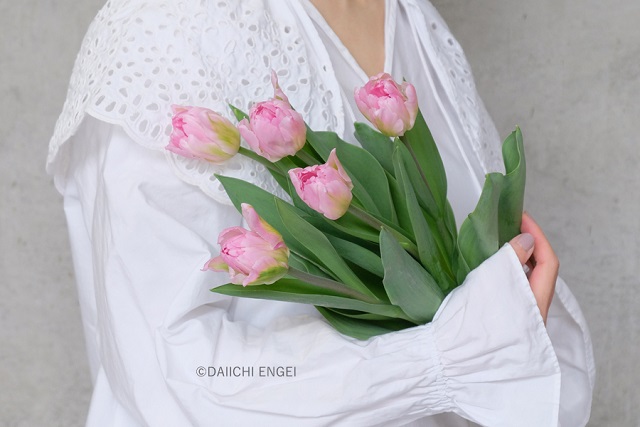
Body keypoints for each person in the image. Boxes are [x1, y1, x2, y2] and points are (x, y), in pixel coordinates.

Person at [48, 0, 595, 425]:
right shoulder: (165, 30)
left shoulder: (414, 21)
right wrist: (446, 358)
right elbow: (173, 378)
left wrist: (509, 323)